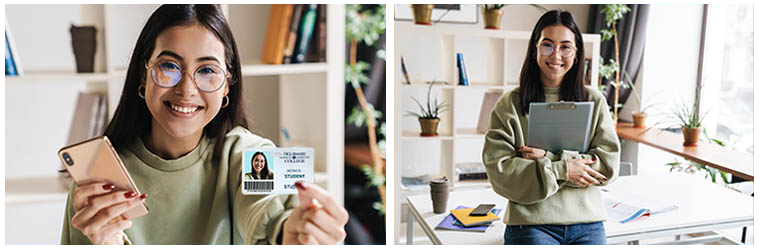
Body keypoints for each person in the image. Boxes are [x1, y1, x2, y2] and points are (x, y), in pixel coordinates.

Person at [60, 4, 348, 245]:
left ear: (226, 87)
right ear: (142, 75)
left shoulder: (249, 153)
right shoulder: (98, 185)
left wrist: (288, 231)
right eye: (169, 66)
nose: (186, 89)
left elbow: (268, 208)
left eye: (208, 70)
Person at [481, 10, 620, 245]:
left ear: (576, 55)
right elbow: (501, 172)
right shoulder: (510, 104)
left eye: (565, 47)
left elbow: (607, 166)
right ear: (535, 49)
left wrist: (548, 157)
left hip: (587, 223)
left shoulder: (594, 101)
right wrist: (563, 170)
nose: (556, 55)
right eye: (547, 45)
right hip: (531, 222)